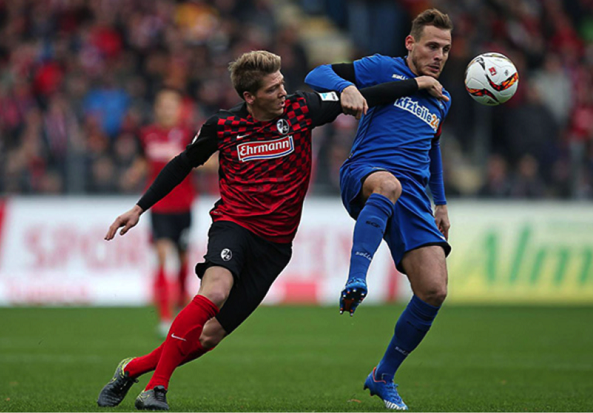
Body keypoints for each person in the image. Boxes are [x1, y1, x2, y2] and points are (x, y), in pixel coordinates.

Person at [97, 50, 428, 411]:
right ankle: (157, 388)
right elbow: (181, 164)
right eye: (273, 89)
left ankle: (132, 369)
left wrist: (413, 85)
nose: (283, 92)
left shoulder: (304, 109)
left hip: (275, 246)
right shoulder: (221, 127)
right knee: (216, 291)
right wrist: (139, 208)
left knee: (208, 337)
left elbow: (371, 94)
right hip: (234, 224)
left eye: (282, 83)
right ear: (249, 97)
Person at [305, 9, 453, 411]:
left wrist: (439, 201)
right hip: (366, 173)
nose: (439, 55)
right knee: (388, 183)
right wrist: (346, 88)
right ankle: (356, 280)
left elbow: (433, 147)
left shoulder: (442, 98)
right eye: (431, 46)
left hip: (415, 198)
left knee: (435, 289)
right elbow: (317, 74)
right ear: (411, 43)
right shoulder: (380, 68)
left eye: (445, 49)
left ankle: (383, 376)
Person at [123, 88, 197, 336]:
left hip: (184, 206)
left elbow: (208, 161)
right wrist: (133, 173)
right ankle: (165, 317)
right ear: (157, 108)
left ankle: (182, 306)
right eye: (163, 105)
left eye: (172, 105)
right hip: (159, 208)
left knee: (183, 260)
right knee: (163, 256)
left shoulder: (189, 134)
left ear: (179, 109)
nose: (167, 110)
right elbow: (142, 161)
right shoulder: (147, 135)